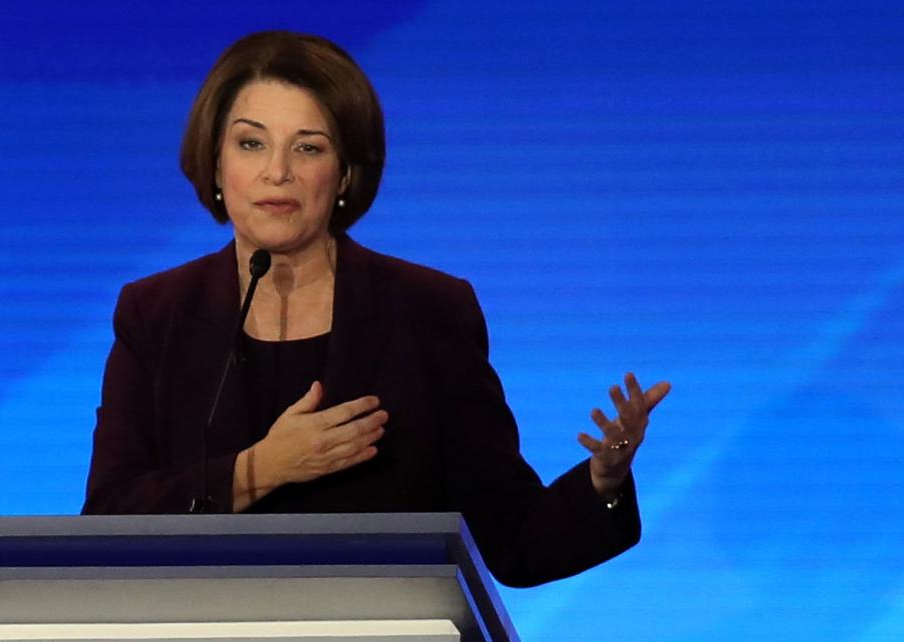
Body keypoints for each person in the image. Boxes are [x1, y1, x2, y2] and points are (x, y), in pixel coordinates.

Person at [81, 31, 671, 588]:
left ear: (344, 174)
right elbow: (110, 519)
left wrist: (605, 479)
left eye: (307, 147)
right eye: (251, 143)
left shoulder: (429, 313)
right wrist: (261, 468)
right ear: (215, 164)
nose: (276, 171)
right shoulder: (155, 316)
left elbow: (513, 536)